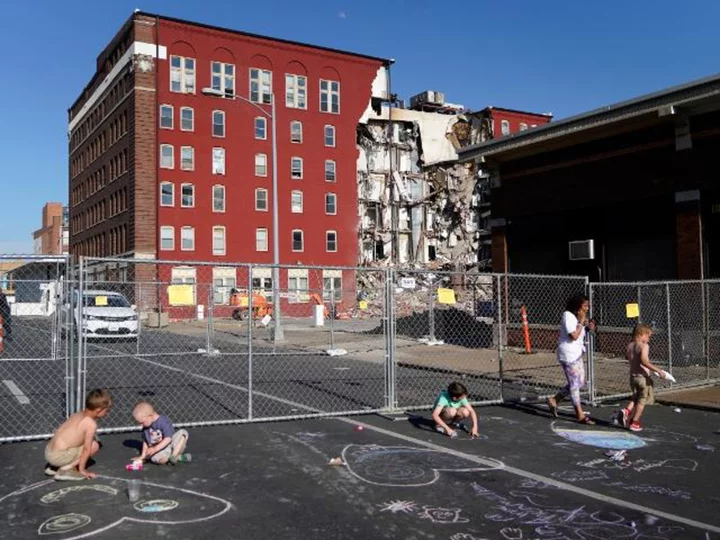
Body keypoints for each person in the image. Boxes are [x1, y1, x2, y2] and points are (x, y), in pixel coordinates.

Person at [547, 294, 595, 424]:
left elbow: (579, 333)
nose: (587, 308)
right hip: (568, 353)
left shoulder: (578, 317)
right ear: (577, 306)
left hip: (577, 352)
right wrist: (581, 322)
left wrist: (587, 328)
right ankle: (579, 414)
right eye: (585, 305)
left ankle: (554, 399)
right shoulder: (567, 315)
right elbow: (573, 335)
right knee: (574, 384)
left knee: (580, 381)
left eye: (587, 306)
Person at [45, 388, 112, 481]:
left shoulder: (77, 414)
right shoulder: (90, 424)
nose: (107, 413)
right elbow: (86, 449)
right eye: (106, 411)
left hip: (49, 452)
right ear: (99, 410)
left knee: (78, 441)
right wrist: (82, 470)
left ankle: (53, 467)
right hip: (58, 457)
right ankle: (65, 470)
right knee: (94, 445)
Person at [617, 323, 666, 432]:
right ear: (641, 334)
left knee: (635, 397)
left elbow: (629, 358)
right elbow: (644, 361)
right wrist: (657, 370)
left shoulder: (629, 346)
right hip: (642, 378)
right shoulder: (644, 346)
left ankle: (626, 411)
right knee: (641, 400)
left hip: (633, 377)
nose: (649, 339)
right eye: (648, 336)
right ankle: (635, 422)